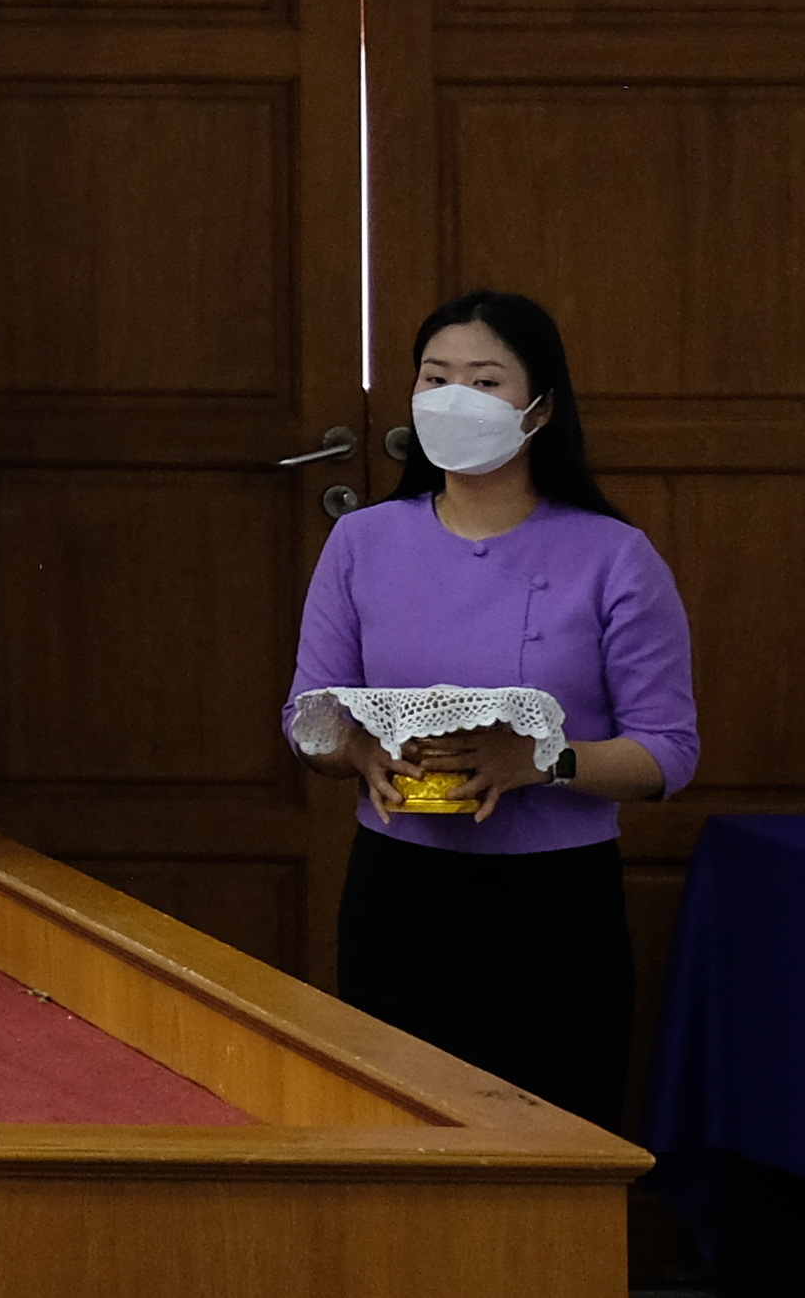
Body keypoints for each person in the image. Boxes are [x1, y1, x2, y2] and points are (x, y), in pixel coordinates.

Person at [285, 292, 696, 1130]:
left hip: (553, 906)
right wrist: (361, 756)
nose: (454, 399)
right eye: (435, 378)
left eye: (484, 380)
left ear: (540, 409)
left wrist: (543, 760)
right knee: (396, 1132)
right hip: (399, 891)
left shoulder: (613, 555)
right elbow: (308, 716)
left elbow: (668, 752)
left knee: (551, 1141)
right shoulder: (361, 543)